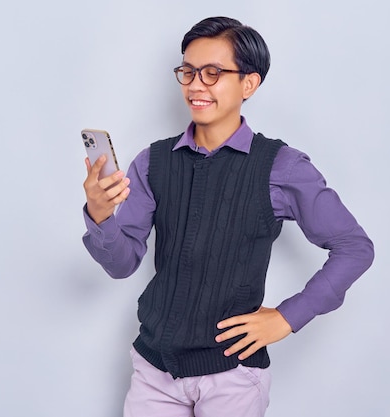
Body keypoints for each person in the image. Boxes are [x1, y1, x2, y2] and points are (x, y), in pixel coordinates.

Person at [82, 16, 374, 417]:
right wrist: (100, 215)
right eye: (188, 71)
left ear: (249, 84)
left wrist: (288, 317)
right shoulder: (152, 162)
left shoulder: (281, 167)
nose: (196, 84)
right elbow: (120, 264)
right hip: (153, 369)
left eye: (213, 72)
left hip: (232, 376)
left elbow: (354, 247)